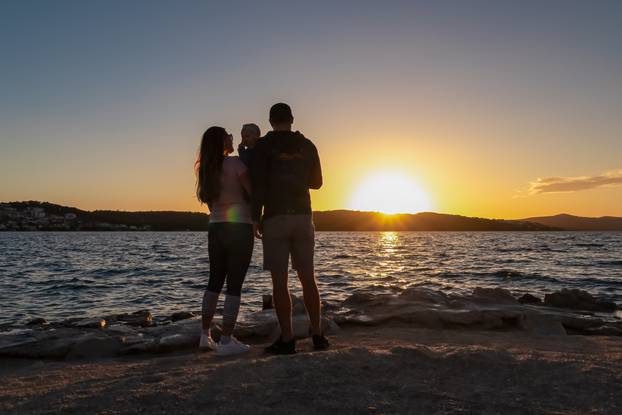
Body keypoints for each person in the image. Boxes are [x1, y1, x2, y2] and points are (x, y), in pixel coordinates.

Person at [251, 102, 329, 354]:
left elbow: (258, 185)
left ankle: (287, 339)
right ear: (292, 119)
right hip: (303, 217)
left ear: (271, 121)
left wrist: (254, 217)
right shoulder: (308, 146)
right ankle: (318, 335)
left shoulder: (263, 146)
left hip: (275, 217)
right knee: (308, 278)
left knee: (280, 281)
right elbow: (316, 183)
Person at [195, 126, 254, 356]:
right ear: (222, 141)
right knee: (235, 284)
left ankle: (204, 334)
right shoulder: (235, 164)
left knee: (214, 281)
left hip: (216, 227)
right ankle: (227, 339)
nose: (231, 136)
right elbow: (253, 192)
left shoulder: (206, 170)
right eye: (228, 134)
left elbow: (211, 204)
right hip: (239, 227)